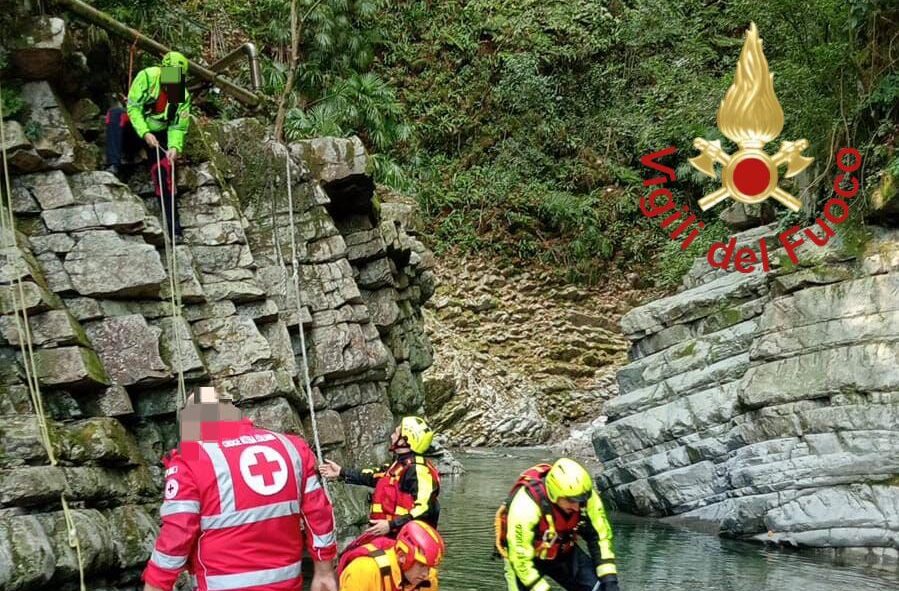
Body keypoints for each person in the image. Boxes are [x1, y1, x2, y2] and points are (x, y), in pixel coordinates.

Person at [141, 386, 339, 591]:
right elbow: (319, 514)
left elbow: (177, 532)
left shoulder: (191, 459)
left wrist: (156, 584)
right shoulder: (291, 447)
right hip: (287, 583)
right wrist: (324, 570)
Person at [495, 458, 620, 591]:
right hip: (523, 559)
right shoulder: (525, 506)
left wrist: (610, 580)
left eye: (580, 501)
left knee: (601, 588)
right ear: (555, 494)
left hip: (563, 552)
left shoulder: (587, 498)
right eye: (571, 501)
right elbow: (520, 558)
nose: (577, 507)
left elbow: (600, 538)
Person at [105, 50, 192, 238]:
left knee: (165, 170)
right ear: (163, 70)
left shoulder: (180, 95)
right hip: (138, 130)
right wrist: (145, 133)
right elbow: (134, 108)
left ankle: (174, 228)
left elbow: (178, 126)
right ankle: (113, 164)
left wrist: (175, 147)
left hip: (159, 136)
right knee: (115, 115)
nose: (171, 81)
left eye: (176, 78)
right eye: (169, 75)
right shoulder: (147, 77)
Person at [319, 416, 440, 536]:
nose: (392, 435)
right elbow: (373, 476)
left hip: (408, 539)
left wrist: (391, 525)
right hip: (391, 535)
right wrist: (341, 472)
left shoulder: (419, 470)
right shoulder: (399, 464)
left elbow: (424, 509)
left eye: (396, 433)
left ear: (404, 440)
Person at [337, 520, 445, 591]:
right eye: (421, 565)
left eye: (430, 567)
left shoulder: (429, 580)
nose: (425, 574)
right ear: (402, 555)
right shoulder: (363, 571)